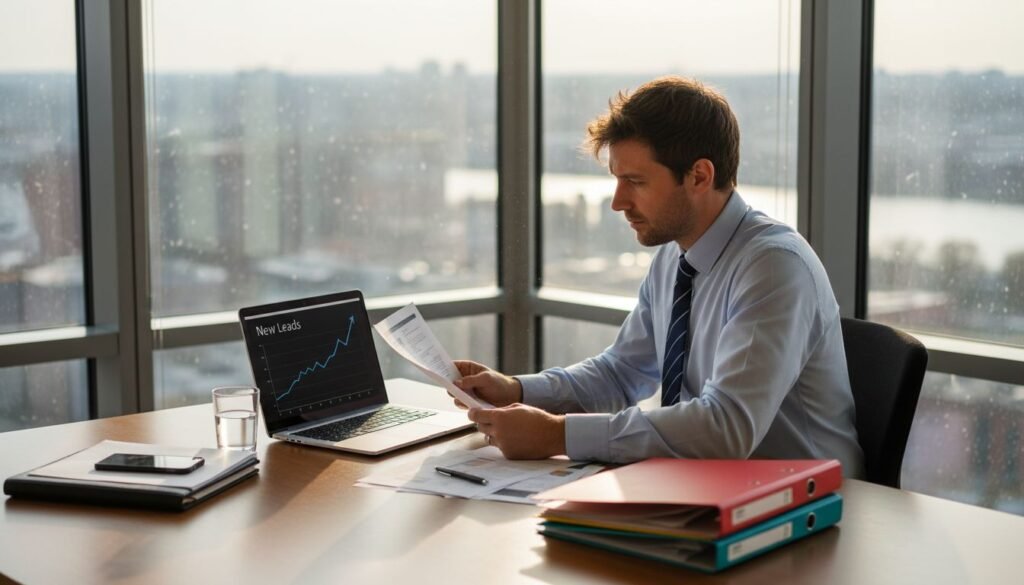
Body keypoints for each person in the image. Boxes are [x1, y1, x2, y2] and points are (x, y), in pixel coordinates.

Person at [453, 76, 865, 477]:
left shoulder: (773, 267)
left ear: (699, 176)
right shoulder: (674, 256)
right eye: (617, 180)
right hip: (703, 488)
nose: (617, 202)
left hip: (810, 505)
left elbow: (726, 427)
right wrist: (517, 391)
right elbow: (622, 372)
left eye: (635, 181)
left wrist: (558, 435)